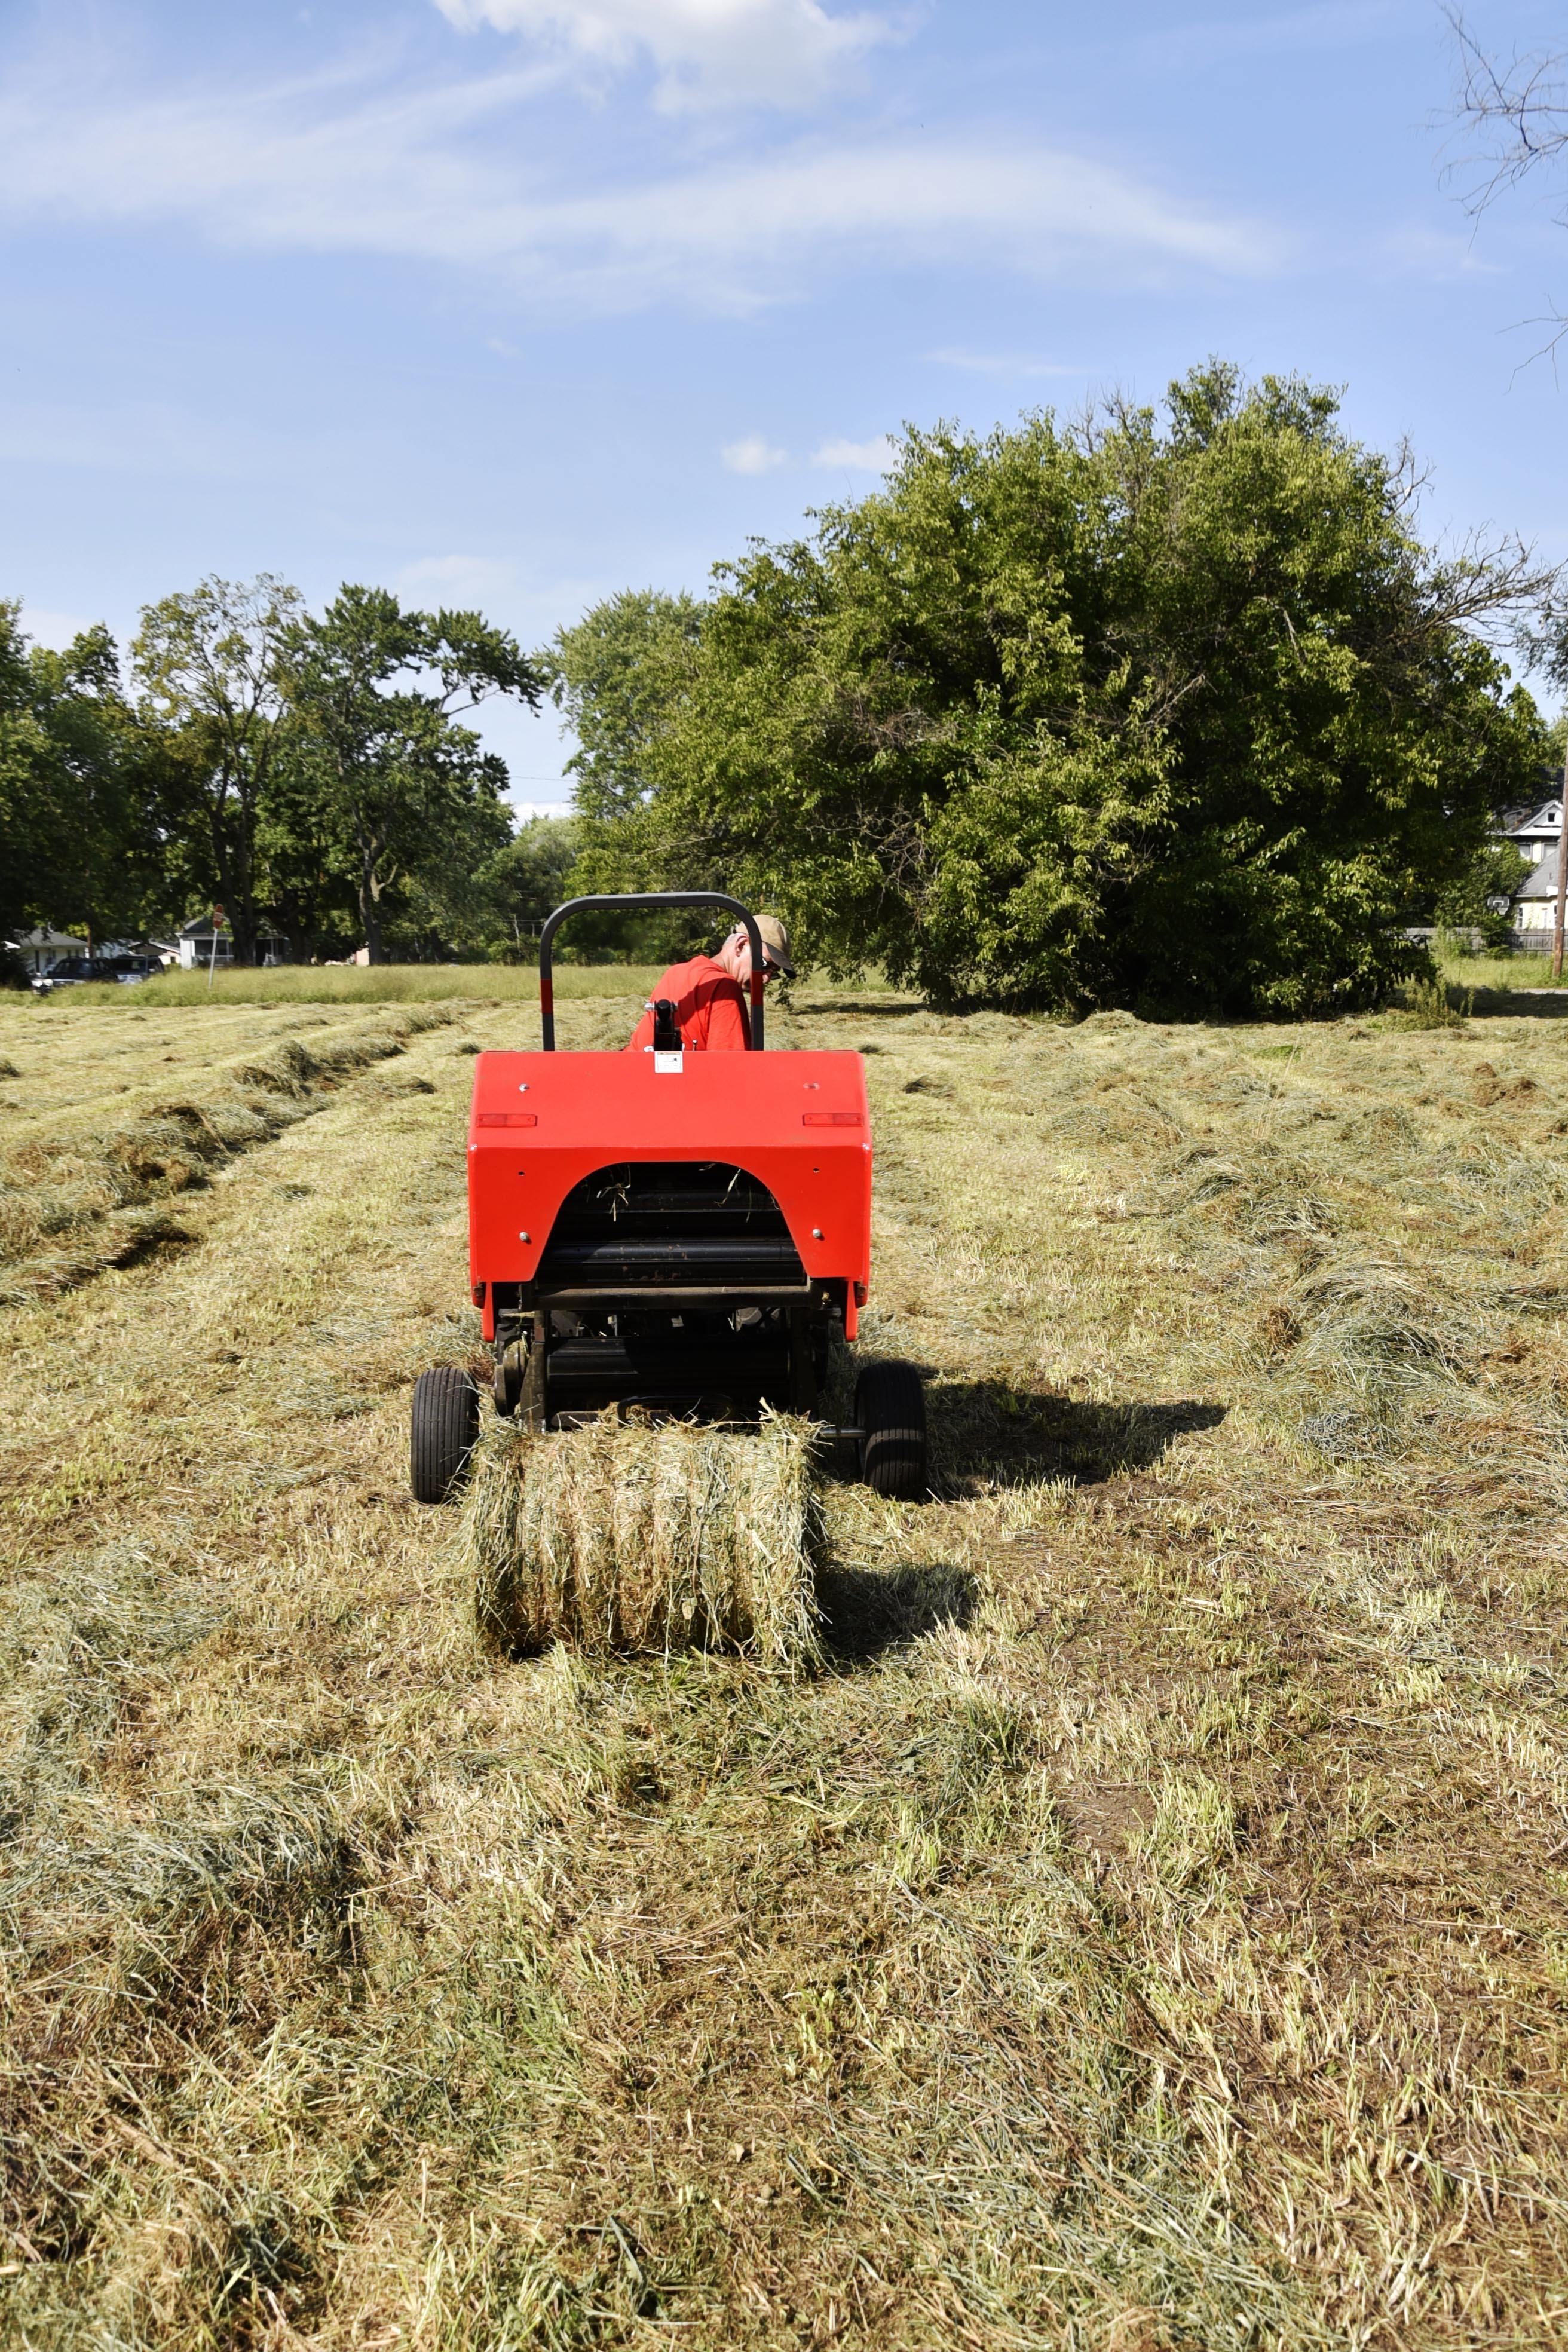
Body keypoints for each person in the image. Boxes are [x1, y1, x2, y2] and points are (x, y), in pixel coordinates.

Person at [624, 914, 795, 1052]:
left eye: (773, 973)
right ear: (741, 945)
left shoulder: (676, 972)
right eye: (764, 965)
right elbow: (732, 1072)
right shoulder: (724, 988)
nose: (765, 978)